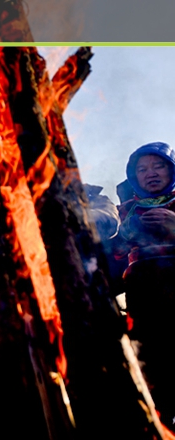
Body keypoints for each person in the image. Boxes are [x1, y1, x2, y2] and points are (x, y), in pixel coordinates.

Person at [116, 141, 175, 431]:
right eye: (142, 169)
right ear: (134, 177)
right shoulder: (125, 212)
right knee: (156, 373)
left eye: (158, 165)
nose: (151, 173)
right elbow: (109, 258)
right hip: (144, 301)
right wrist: (121, 235)